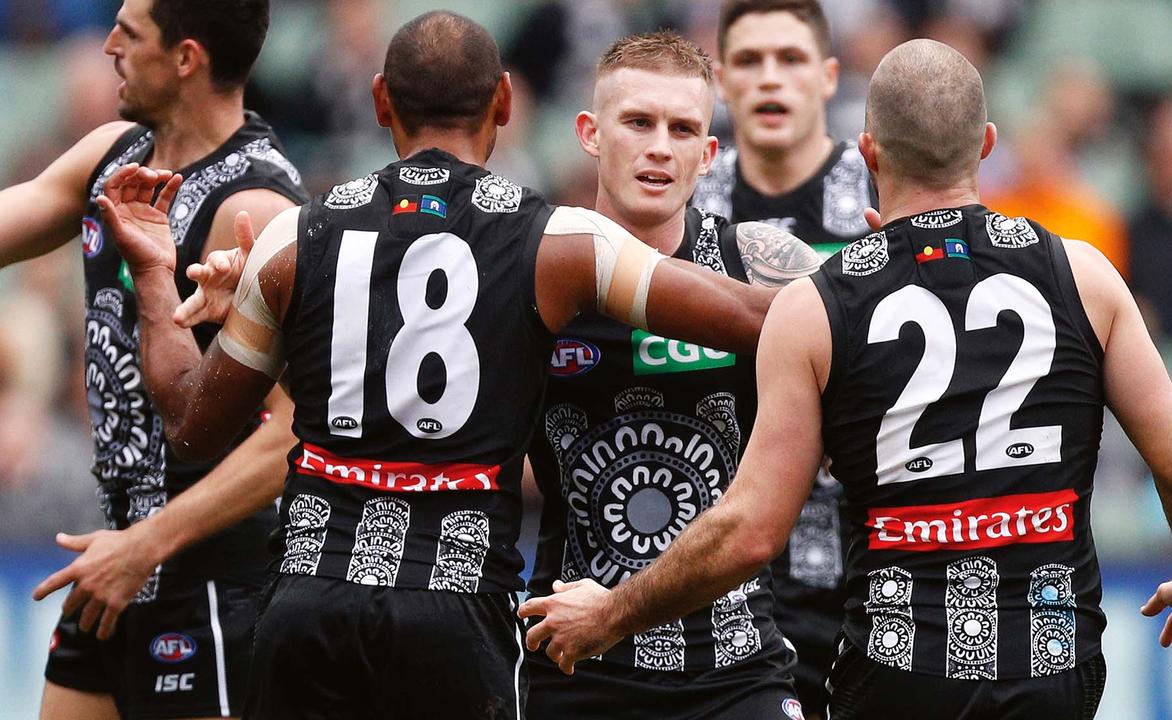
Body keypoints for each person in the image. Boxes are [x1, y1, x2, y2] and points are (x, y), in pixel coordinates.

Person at [520, 39, 1172, 720]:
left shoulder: (824, 303)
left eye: (680, 127)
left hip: (897, 664)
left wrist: (612, 613)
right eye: (638, 122)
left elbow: (751, 531)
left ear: (868, 152)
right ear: (986, 144)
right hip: (1049, 658)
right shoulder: (1083, 273)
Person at [95, 12, 777, 719]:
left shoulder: (295, 237)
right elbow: (758, 319)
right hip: (454, 609)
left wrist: (151, 270)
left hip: (309, 602)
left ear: (381, 99)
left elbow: (188, 422)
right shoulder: (558, 242)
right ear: (505, 105)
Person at [1, 1, 307, 718]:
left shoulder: (258, 209)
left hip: (215, 578)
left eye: (128, 34)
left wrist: (149, 543)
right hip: (113, 567)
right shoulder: (113, 152)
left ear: (186, 58)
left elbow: (298, 429)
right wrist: (130, 551)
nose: (106, 45)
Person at [524, 31, 817, 719]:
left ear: (708, 154)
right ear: (590, 134)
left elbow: (888, 336)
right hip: (577, 656)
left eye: (683, 129)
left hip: (736, 661)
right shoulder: (530, 269)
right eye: (638, 123)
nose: (660, 145)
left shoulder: (758, 260)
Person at [690, 1, 878, 710]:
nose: (771, 79)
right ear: (721, 79)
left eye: (791, 59)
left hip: (869, 576)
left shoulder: (883, 196)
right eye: (750, 60)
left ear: (829, 76)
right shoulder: (678, 200)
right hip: (712, 581)